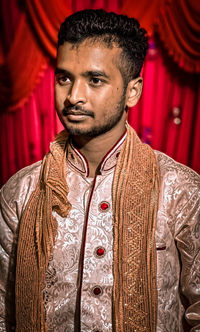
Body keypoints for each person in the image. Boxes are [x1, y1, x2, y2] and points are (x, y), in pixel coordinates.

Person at [0, 9, 199, 332]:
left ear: (132, 92)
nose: (74, 97)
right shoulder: (21, 192)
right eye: (64, 78)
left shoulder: (180, 191)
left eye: (95, 80)